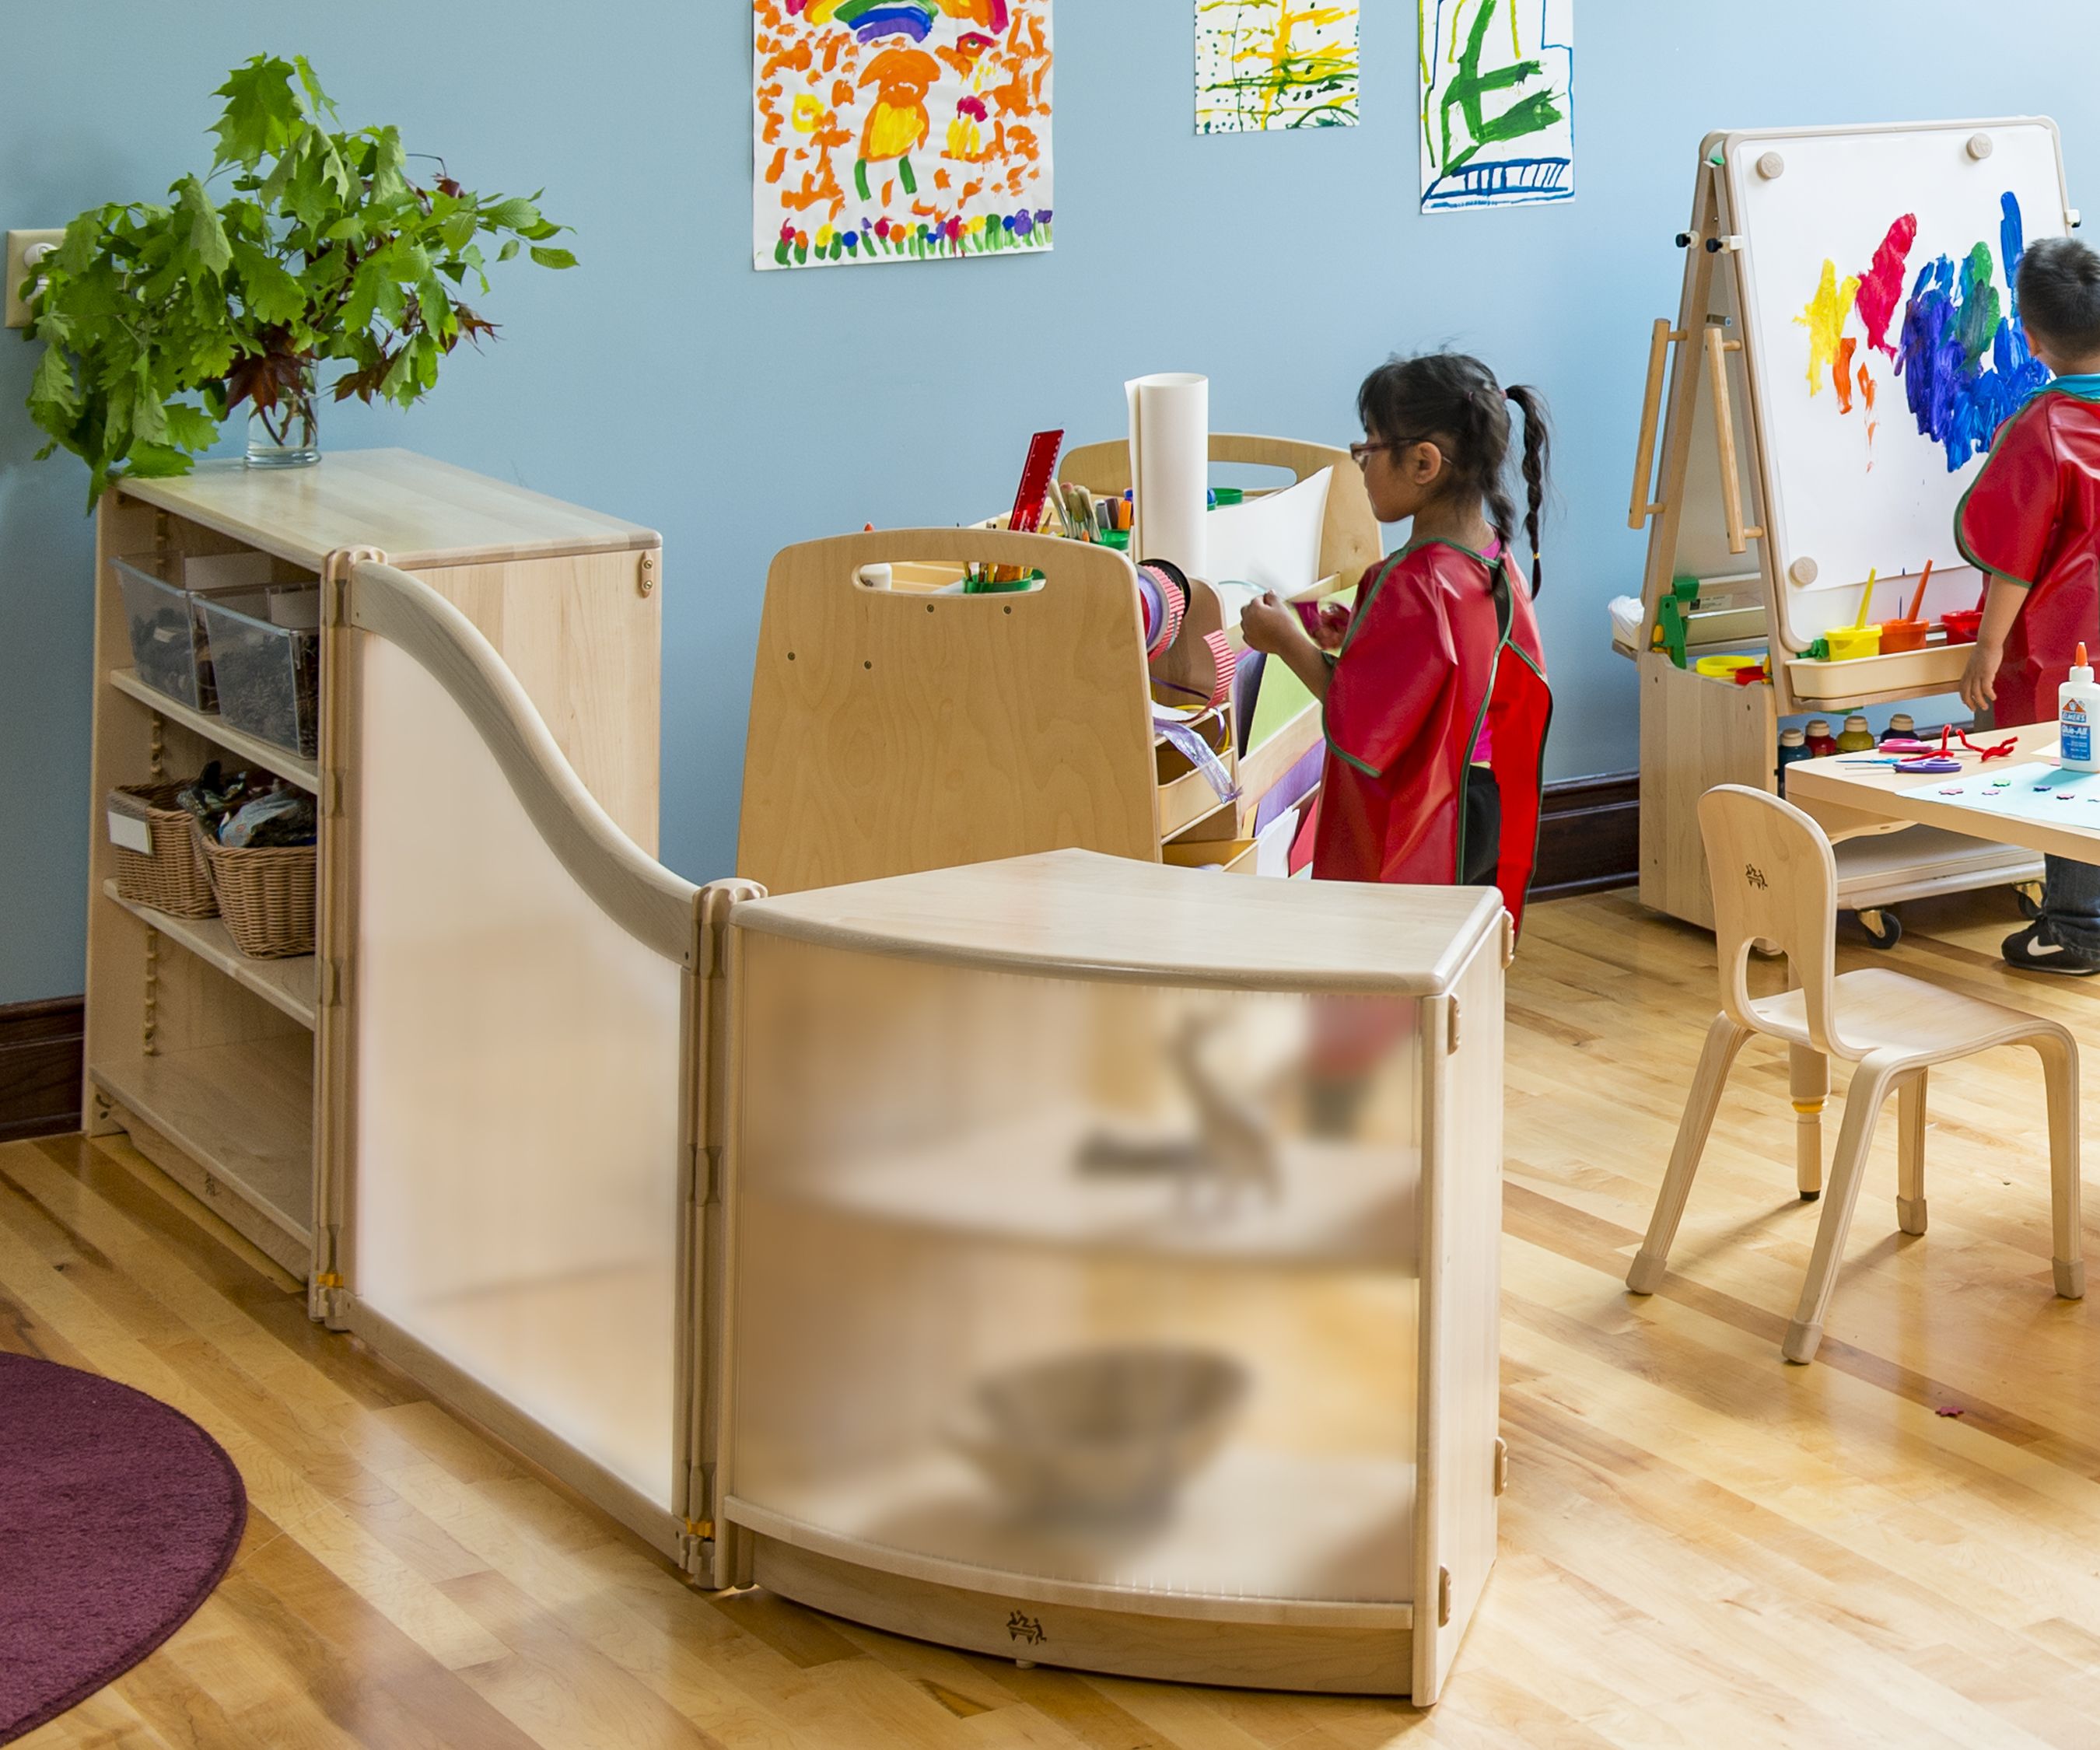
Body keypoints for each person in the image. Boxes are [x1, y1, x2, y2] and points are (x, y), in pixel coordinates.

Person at [1238, 353, 1552, 926]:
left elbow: (1358, 718)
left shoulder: (1412, 582)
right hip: (1488, 805)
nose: (1360, 464)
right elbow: (1437, 659)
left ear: (1423, 463)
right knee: (1453, 964)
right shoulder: (1492, 556)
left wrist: (1284, 640)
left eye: (1369, 447)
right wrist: (1336, 623)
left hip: (1429, 815)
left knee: (1392, 968)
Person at [1958, 236, 2100, 973]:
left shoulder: (2043, 426)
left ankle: (2076, 928)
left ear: (2032, 339)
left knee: (2073, 771)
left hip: (2065, 643)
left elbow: (2013, 555)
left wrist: (1986, 647)